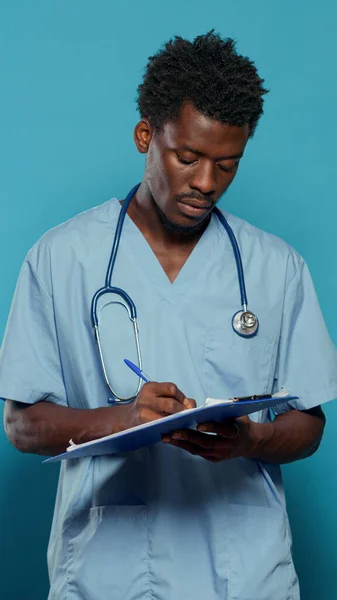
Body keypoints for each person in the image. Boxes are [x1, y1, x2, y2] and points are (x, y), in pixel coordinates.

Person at [1, 31, 336, 600]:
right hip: (107, 576)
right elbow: (22, 424)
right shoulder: (62, 259)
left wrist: (250, 440)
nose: (206, 184)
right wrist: (121, 421)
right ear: (145, 136)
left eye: (227, 166)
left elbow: (309, 427)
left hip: (246, 575)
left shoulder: (277, 267)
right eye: (188, 158)